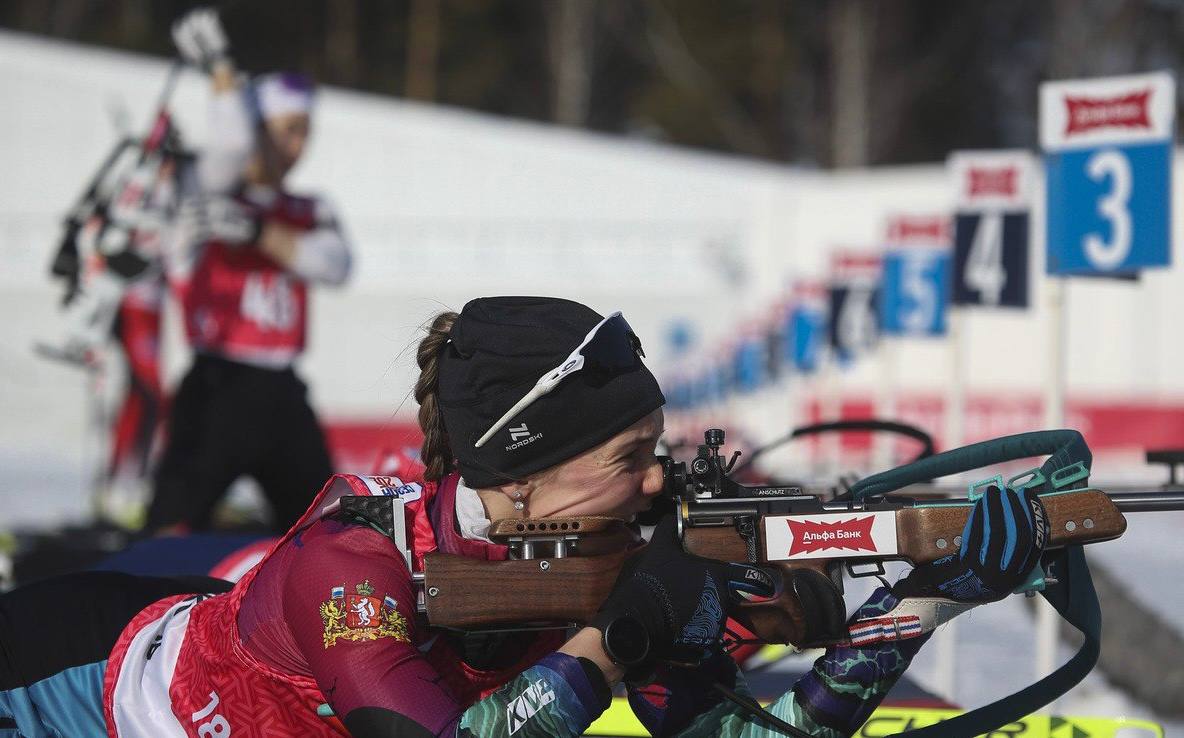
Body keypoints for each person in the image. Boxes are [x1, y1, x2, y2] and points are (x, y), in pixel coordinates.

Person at [0, 296, 1050, 738]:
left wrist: (916, 607)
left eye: (658, 452)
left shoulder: (602, 560)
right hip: (66, 683)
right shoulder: (351, 563)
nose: (657, 485)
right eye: (629, 460)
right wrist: (609, 642)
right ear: (522, 477)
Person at [147, 8, 352, 533]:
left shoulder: (307, 208)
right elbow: (231, 146)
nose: (297, 145)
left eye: (305, 132)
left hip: (283, 392)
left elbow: (334, 264)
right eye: (287, 130)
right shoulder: (209, 190)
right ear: (256, 126)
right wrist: (221, 68)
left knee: (324, 531)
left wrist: (257, 231)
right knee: (170, 530)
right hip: (217, 385)